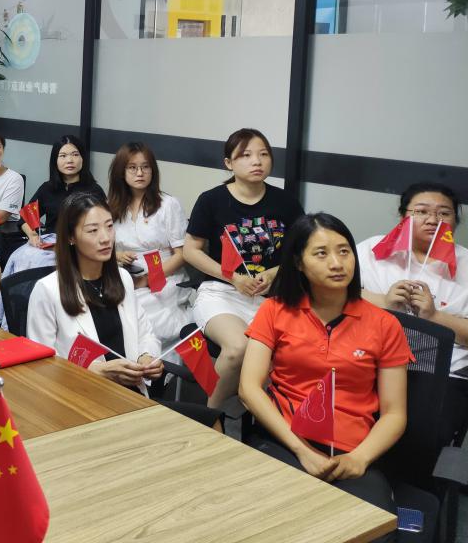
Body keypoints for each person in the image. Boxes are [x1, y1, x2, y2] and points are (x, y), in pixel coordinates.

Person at [240, 213, 412, 524]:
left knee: (374, 526)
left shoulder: (384, 324)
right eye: (321, 253)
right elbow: (249, 388)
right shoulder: (275, 310)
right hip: (284, 439)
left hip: (351, 451)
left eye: (344, 251)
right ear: (298, 262)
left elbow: (394, 413)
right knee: (266, 519)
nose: (337, 263)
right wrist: (301, 450)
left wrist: (359, 458)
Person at [183, 128, 303, 408]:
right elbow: (190, 250)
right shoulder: (211, 200)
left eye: (263, 154)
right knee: (239, 347)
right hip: (222, 293)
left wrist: (273, 273)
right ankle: (210, 414)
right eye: (246, 155)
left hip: (272, 300)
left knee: (291, 356)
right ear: (229, 163)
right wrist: (233, 277)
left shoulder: (286, 202)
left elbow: (301, 251)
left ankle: (256, 411)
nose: (256, 161)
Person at [357, 182, 468, 446]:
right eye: (421, 211)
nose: (433, 220)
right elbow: (334, 295)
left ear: (455, 220)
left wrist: (435, 317)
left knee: (422, 435)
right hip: (370, 360)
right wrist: (383, 301)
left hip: (442, 374)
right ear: (403, 216)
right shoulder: (373, 250)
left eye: (444, 213)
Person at [26, 191, 163, 395]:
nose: (105, 238)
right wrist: (96, 371)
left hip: (130, 394)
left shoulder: (123, 278)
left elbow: (145, 333)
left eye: (109, 226)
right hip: (81, 395)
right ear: (71, 237)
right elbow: (41, 365)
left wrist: (146, 357)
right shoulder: (48, 289)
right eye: (93, 230)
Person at [0, 135, 103, 328]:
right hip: (49, 242)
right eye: (63, 156)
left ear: (82, 159)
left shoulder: (93, 190)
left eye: (75, 154)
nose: (69, 160)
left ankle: (45, 316)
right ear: (55, 160)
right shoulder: (48, 188)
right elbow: (25, 217)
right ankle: (17, 316)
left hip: (80, 245)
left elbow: (102, 226)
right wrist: (32, 235)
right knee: (20, 257)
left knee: (41, 263)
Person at [108, 142, 193, 345]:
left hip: (164, 275)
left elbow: (182, 255)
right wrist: (117, 256)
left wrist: (147, 280)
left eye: (145, 167)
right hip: (124, 273)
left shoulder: (168, 204)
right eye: (132, 167)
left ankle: (150, 361)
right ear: (121, 172)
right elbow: (103, 246)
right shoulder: (112, 206)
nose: (140, 173)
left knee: (140, 309)